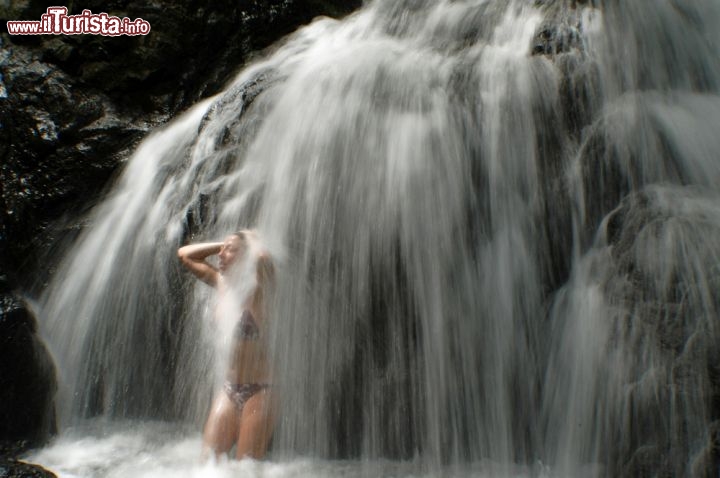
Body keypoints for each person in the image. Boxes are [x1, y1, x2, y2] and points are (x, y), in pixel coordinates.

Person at [177, 230, 276, 460]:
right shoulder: (221, 282)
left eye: (228, 251)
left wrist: (249, 241)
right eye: (221, 250)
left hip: (261, 390)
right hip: (229, 389)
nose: (220, 254)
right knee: (209, 464)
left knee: (246, 468)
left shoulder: (261, 289)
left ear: (246, 255)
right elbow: (185, 255)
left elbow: (262, 258)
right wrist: (225, 244)